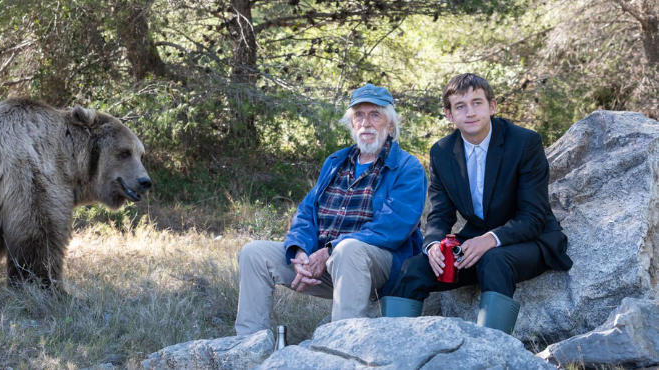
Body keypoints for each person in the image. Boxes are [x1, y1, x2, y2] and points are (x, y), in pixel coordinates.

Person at [382, 73, 574, 335]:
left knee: (494, 260)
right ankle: (392, 350)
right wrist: (432, 246)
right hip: (475, 246)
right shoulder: (441, 151)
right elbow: (439, 214)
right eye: (460, 106)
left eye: (477, 103)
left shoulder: (524, 142)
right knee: (413, 267)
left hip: (531, 241)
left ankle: (491, 354)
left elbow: (534, 215)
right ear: (449, 115)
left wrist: (490, 239)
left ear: (492, 107)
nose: (469, 112)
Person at [234, 84, 428, 336]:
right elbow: (307, 212)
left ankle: (340, 348)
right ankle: (247, 345)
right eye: (358, 115)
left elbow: (393, 228)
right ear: (351, 123)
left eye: (375, 115)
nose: (365, 123)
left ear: (390, 125)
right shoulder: (336, 162)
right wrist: (301, 251)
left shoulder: (407, 167)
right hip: (327, 263)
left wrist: (330, 250)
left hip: (378, 267)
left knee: (348, 249)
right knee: (254, 253)